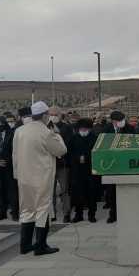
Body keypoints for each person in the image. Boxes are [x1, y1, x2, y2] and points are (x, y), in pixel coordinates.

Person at [13, 101, 67, 256]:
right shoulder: (46, 132)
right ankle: (40, 246)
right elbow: (61, 150)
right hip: (41, 177)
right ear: (44, 116)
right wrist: (57, 134)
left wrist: (16, 174)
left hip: (24, 178)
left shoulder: (20, 131)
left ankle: (25, 245)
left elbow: (15, 155)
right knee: (43, 209)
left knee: (27, 209)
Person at [68, 118, 99, 223]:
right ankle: (79, 214)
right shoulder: (74, 138)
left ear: (89, 129)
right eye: (81, 128)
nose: (83, 130)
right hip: (77, 171)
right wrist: (77, 158)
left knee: (92, 193)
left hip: (91, 170)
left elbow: (97, 153)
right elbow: (69, 153)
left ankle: (92, 214)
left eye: (85, 128)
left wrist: (86, 157)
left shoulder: (94, 138)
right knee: (77, 194)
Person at [48, 107, 72, 223]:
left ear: (59, 115)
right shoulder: (45, 127)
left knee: (64, 190)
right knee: (50, 191)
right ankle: (52, 214)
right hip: (49, 165)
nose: (53, 116)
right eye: (50, 114)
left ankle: (66, 213)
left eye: (55, 114)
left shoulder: (66, 128)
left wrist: (58, 135)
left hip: (63, 165)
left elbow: (67, 145)